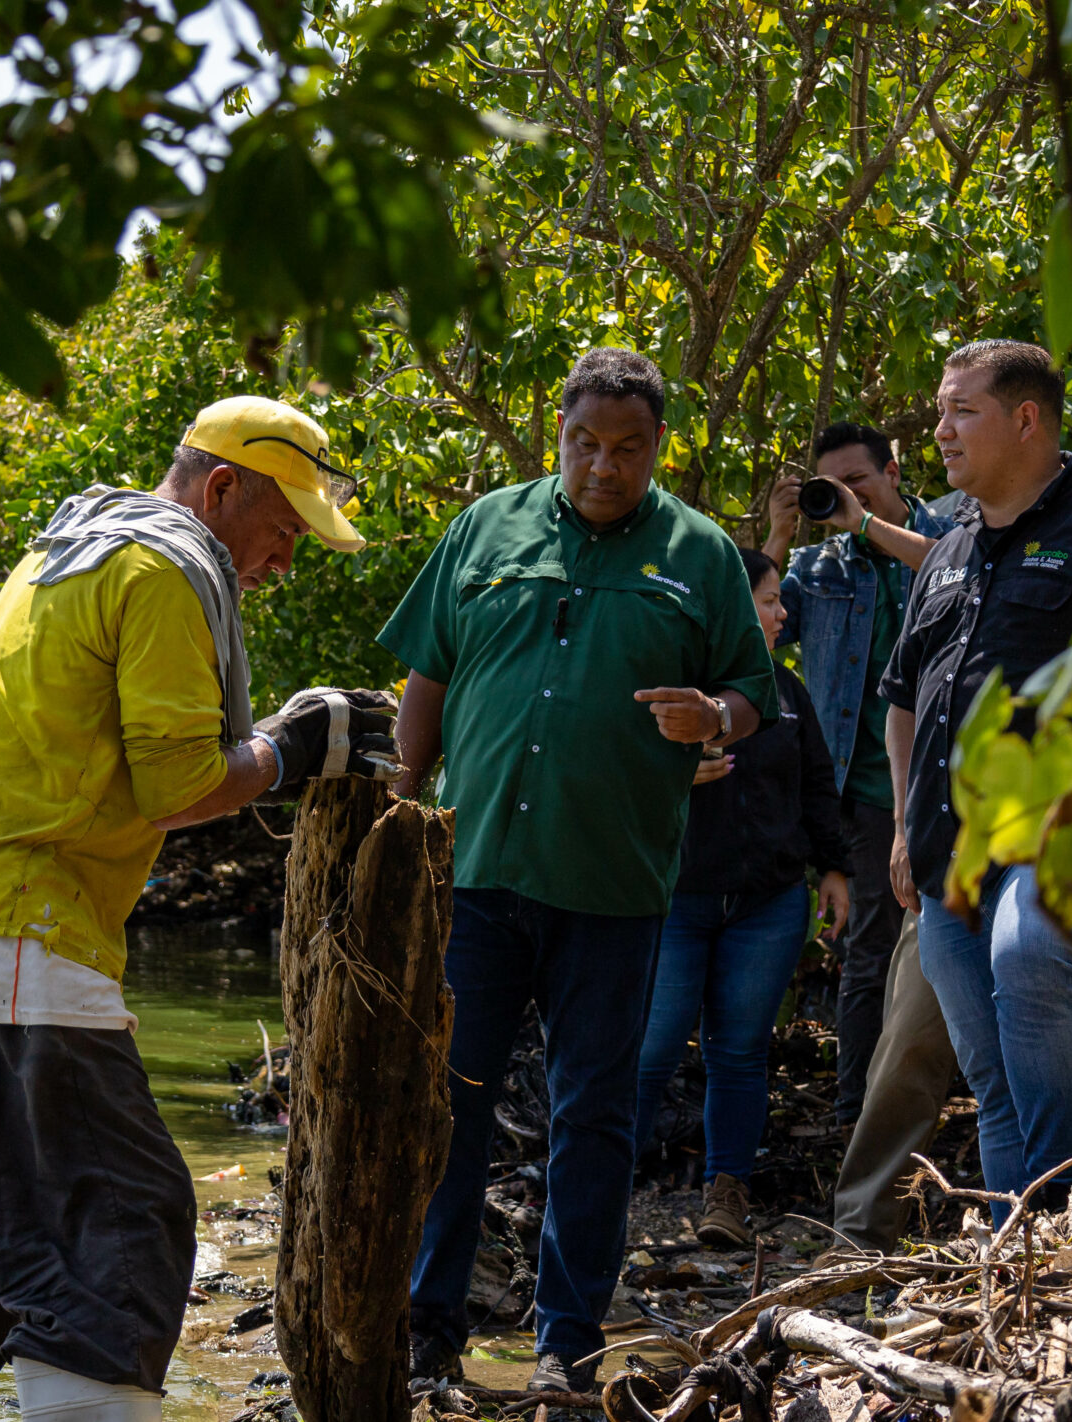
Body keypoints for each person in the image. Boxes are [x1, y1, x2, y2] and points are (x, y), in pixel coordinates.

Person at [0, 397, 397, 1422]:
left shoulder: (75, 543)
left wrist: (277, 741)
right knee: (121, 1237)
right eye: (281, 531)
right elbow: (177, 785)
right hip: (14, 932)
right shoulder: (158, 570)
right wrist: (296, 744)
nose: (278, 564)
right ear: (221, 488)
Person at [382, 348, 778, 1394]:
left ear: (657, 448)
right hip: (475, 871)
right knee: (448, 1104)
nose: (603, 466)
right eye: (584, 444)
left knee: (593, 1114)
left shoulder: (700, 554)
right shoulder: (486, 528)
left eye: (627, 448)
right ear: (555, 435)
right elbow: (427, 670)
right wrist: (397, 795)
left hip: (613, 887)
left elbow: (751, 691)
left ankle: (566, 1342)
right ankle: (429, 1335)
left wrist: (714, 715)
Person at [881, 340, 1072, 1208]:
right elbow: (902, 698)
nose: (939, 431)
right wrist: (904, 822)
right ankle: (1024, 1247)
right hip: (949, 856)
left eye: (960, 411)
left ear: (1027, 419)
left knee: (1030, 955)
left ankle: (1066, 1201)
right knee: (993, 1079)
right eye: (940, 410)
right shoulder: (945, 553)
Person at [632, 544, 849, 1247]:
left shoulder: (788, 694)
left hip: (769, 903)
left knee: (740, 1051)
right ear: (731, 604)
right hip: (677, 900)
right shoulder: (674, 682)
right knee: (651, 1046)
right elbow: (611, 774)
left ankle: (726, 1193)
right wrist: (669, 778)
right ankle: (603, 1177)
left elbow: (817, 783)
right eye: (770, 599)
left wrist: (836, 870)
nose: (784, 612)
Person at [757, 423, 955, 1131]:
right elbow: (754, 636)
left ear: (895, 472)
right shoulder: (819, 570)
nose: (843, 497)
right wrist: (778, 536)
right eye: (829, 486)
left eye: (858, 481)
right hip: (868, 789)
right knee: (871, 947)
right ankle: (856, 1116)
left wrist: (866, 523)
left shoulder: (955, 527)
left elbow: (959, 571)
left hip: (963, 779)